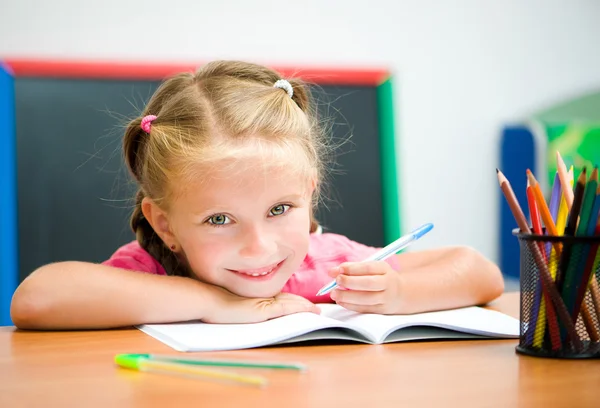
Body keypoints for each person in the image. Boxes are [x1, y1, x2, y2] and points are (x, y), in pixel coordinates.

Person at [10, 60, 504, 330]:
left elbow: (477, 272)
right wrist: (211, 302)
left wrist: (398, 293)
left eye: (280, 209)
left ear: (310, 193)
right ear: (165, 225)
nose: (260, 248)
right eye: (220, 220)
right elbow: (36, 299)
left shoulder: (326, 265)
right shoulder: (153, 271)